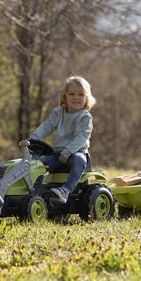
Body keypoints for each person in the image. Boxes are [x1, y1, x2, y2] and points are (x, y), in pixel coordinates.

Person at [29, 75, 96, 203]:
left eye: (81, 94)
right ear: (64, 96)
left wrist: (67, 152)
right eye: (72, 94)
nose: (76, 97)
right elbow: (46, 126)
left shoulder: (85, 117)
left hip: (76, 153)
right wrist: (34, 138)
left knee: (79, 160)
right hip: (56, 154)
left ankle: (66, 189)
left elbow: (82, 137)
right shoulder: (59, 113)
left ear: (87, 98)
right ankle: (34, 189)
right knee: (38, 162)